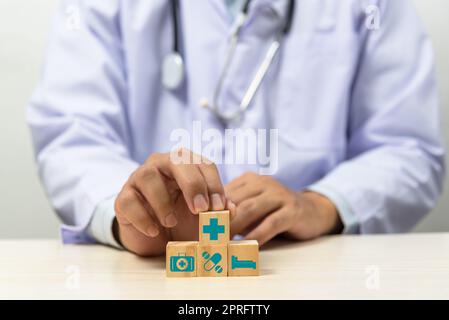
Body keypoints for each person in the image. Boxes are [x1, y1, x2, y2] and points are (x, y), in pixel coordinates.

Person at [28, 0, 444, 256]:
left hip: (312, 269)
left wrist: (322, 205)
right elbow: (70, 135)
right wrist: (131, 215)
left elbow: (408, 147)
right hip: (150, 277)